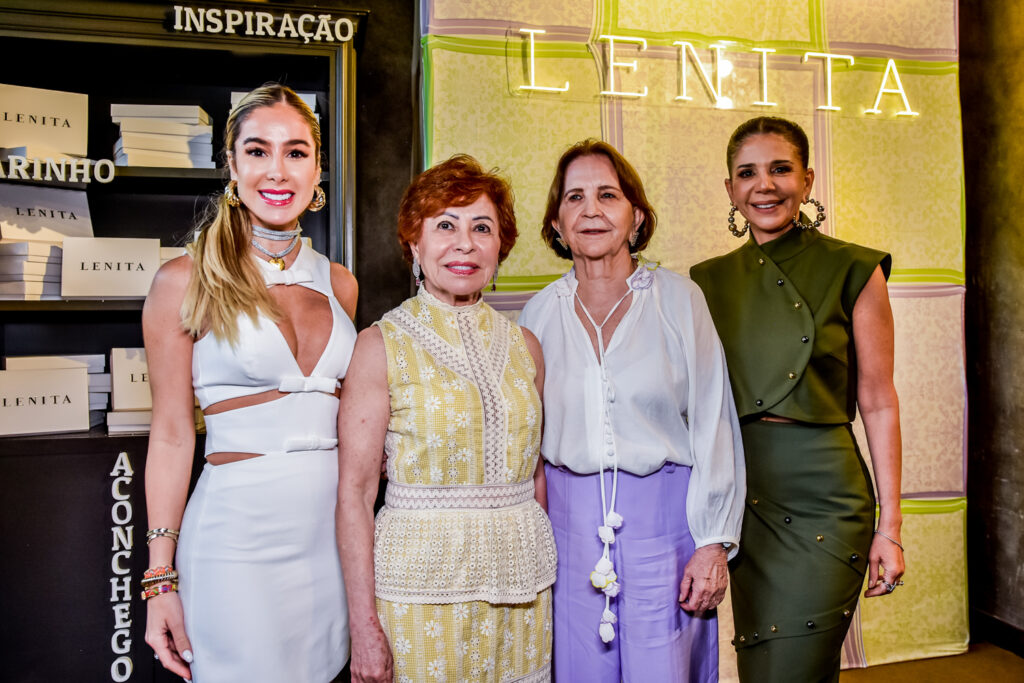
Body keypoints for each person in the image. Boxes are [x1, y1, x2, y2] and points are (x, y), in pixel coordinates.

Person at [142, 84, 358, 682]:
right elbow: (170, 436)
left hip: (329, 547)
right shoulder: (183, 281)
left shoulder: (340, 284)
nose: (277, 170)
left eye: (295, 151)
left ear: (318, 168)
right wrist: (160, 577)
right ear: (232, 167)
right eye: (258, 151)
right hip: (235, 544)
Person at [516, 139, 745, 682]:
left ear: (636, 215)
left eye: (608, 195)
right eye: (574, 198)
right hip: (565, 526)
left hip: (665, 526)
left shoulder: (679, 299)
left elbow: (715, 419)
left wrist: (712, 541)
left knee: (661, 668)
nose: (591, 210)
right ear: (556, 223)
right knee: (578, 670)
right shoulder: (537, 314)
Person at [690, 115, 905, 683]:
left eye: (781, 169)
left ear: (807, 180)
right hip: (746, 500)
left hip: (826, 501)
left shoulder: (855, 268)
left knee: (794, 666)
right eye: (748, 173)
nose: (765, 185)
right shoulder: (705, 282)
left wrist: (892, 527)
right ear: (730, 189)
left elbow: (880, 402)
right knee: (767, 665)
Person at [337, 155, 556, 683]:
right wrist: (363, 627)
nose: (465, 243)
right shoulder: (379, 344)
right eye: (445, 226)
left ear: (500, 245)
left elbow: (535, 475)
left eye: (482, 227)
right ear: (415, 243)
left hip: (522, 590)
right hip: (419, 592)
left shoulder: (526, 345)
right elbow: (356, 493)